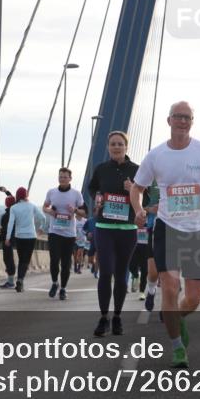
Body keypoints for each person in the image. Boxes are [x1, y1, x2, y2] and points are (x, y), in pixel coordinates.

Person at [131, 101, 200, 368]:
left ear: (192, 121)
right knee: (170, 286)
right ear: (169, 120)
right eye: (178, 116)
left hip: (198, 230)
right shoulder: (155, 156)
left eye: (187, 117)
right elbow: (137, 188)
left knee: (194, 298)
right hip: (167, 228)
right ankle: (177, 348)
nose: (182, 121)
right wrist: (139, 209)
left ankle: (175, 317)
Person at [88, 131, 143, 336]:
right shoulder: (101, 169)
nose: (116, 147)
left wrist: (133, 190)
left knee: (121, 275)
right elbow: (91, 188)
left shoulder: (137, 170)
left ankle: (117, 317)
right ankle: (104, 318)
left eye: (120, 144)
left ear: (126, 147)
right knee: (106, 273)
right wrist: (98, 196)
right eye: (113, 144)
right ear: (108, 147)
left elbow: (146, 198)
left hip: (128, 230)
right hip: (105, 229)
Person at [44, 168, 85, 300]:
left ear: (70, 178)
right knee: (54, 260)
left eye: (65, 177)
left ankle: (63, 289)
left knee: (66, 263)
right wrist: (50, 211)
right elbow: (44, 207)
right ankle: (55, 282)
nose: (62, 179)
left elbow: (84, 213)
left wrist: (75, 210)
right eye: (60, 177)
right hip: (54, 232)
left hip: (69, 234)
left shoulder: (76, 194)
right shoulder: (51, 192)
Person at [4, 186, 46, 292]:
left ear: (17, 196)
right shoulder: (32, 206)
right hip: (31, 236)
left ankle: (19, 280)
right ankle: (20, 280)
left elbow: (10, 224)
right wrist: (41, 228)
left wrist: (8, 238)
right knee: (25, 261)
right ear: (26, 195)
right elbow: (43, 218)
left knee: (21, 259)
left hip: (19, 236)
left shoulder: (14, 208)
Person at [0, 195, 17, 288]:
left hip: (8, 240)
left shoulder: (6, 216)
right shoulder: (16, 213)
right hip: (18, 238)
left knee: (8, 259)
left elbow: (3, 231)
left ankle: (11, 282)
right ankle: (14, 281)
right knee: (11, 260)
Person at [75, 205, 89, 274]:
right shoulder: (73, 220)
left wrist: (87, 233)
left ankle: (79, 268)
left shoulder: (85, 221)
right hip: (74, 240)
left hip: (82, 240)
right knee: (75, 254)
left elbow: (87, 229)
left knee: (80, 254)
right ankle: (75, 264)